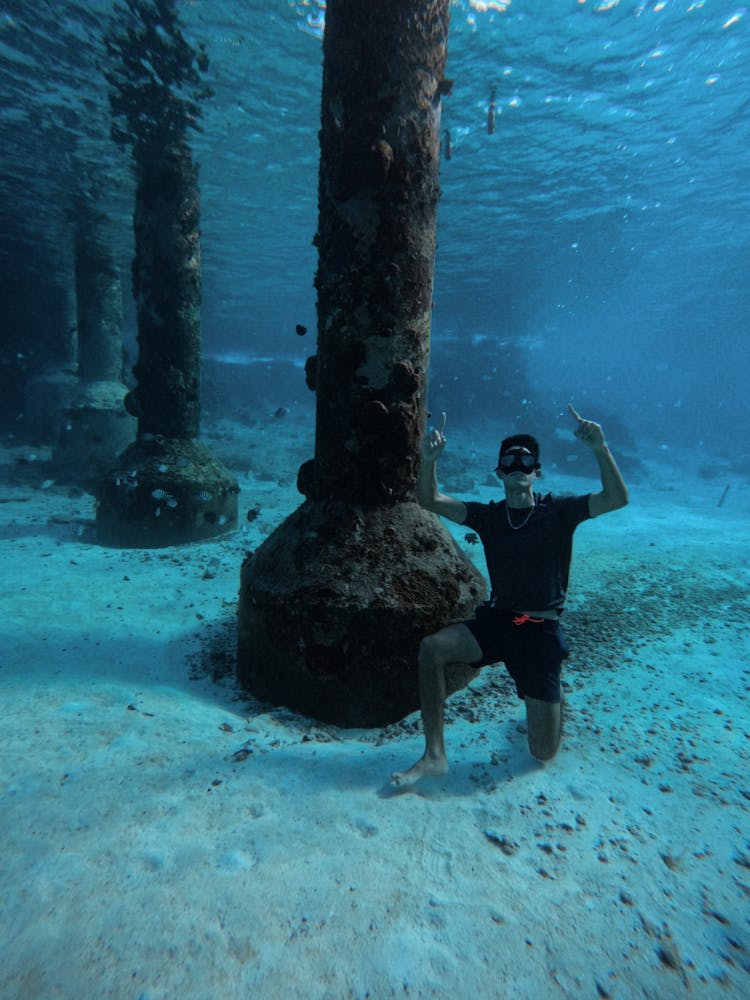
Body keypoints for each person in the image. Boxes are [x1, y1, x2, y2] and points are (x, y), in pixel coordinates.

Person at [391, 403, 629, 787]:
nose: (518, 466)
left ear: (537, 472)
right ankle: (434, 754)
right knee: (432, 649)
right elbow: (430, 500)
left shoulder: (560, 512)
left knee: (542, 752)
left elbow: (616, 499)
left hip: (540, 631)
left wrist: (600, 448)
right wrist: (430, 459)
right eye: (510, 460)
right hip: (500, 622)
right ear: (499, 472)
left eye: (526, 460)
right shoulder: (488, 516)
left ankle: (549, 703)